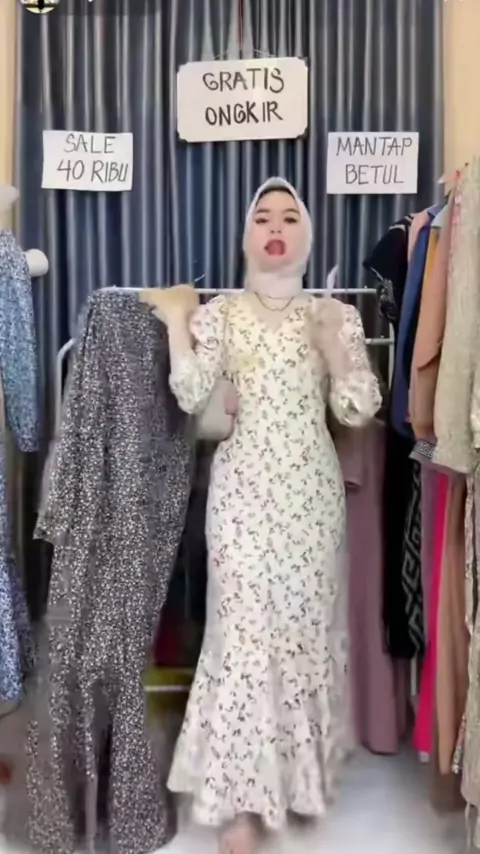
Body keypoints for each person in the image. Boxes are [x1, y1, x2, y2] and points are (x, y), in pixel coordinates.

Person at [159, 177, 381, 854]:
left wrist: (335, 348)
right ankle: (242, 806)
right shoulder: (222, 314)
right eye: (263, 217)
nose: (276, 227)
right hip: (241, 499)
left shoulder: (333, 314)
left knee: (298, 638)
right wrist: (177, 323)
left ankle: (296, 780)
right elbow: (190, 391)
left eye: (290, 216)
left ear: (307, 234)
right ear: (246, 236)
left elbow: (357, 408)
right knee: (244, 638)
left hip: (311, 502)